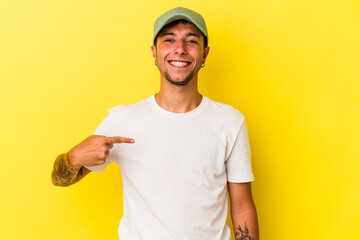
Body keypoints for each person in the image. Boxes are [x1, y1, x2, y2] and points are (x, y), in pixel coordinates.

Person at [51, 7, 259, 240]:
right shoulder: (122, 121)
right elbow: (59, 179)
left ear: (205, 53)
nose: (179, 49)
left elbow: (242, 206)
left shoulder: (230, 122)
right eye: (169, 40)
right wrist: (74, 157)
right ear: (154, 51)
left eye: (191, 40)